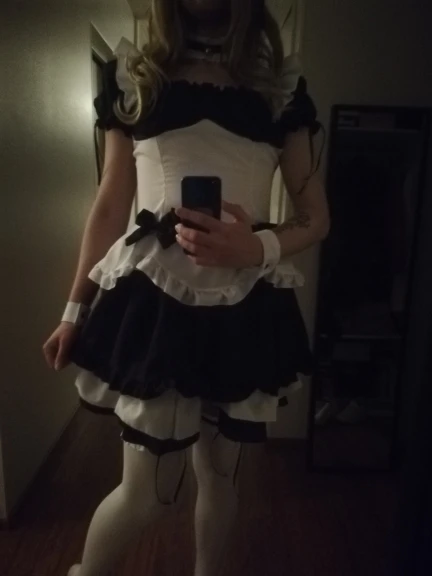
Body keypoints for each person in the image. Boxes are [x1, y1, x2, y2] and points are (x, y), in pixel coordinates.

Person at [43, 0, 329, 574]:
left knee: (220, 476)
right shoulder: (137, 78)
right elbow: (110, 204)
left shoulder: (278, 86)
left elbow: (315, 217)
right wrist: (74, 309)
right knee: (147, 493)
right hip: (156, 302)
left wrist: (257, 248)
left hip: (245, 301)